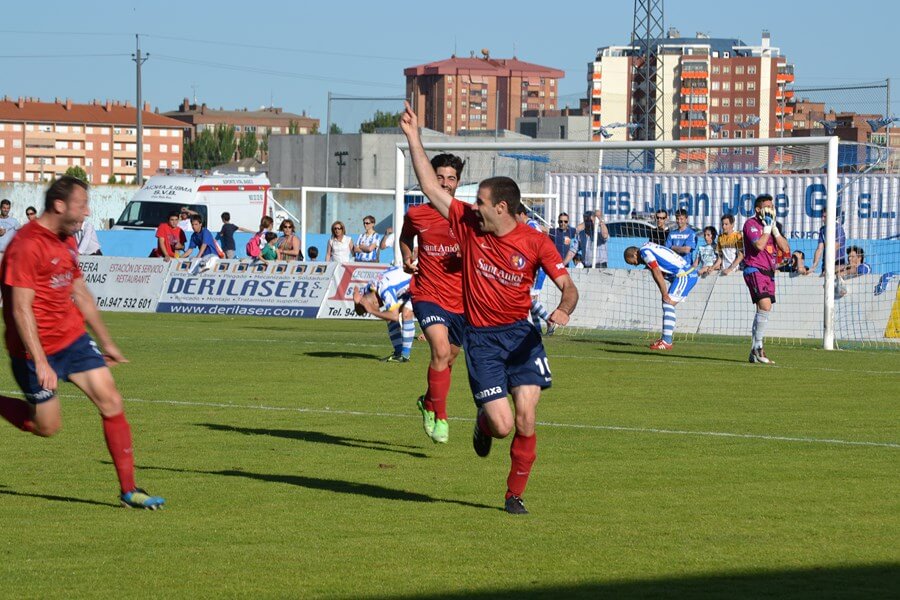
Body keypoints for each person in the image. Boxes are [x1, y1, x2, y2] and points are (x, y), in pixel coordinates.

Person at [402, 101, 579, 515]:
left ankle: (514, 495)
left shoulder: (535, 242)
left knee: (526, 418)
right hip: (482, 341)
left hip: (521, 337)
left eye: (480, 201)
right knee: (500, 425)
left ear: (501, 207)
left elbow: (568, 287)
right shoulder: (468, 226)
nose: (471, 206)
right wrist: (414, 136)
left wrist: (565, 309)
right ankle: (482, 425)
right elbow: (431, 188)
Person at [0, 176, 164, 509]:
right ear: (59, 205)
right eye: (82, 205)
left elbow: (79, 292)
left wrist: (107, 341)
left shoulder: (67, 241)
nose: (87, 211)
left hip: (73, 340)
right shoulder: (27, 244)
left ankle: (130, 490)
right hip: (34, 351)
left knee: (112, 401)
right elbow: (19, 308)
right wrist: (41, 361)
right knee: (46, 427)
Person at [400, 152, 466, 444]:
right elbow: (405, 238)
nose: (445, 183)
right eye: (439, 177)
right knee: (439, 350)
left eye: (451, 178)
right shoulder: (417, 214)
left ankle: (427, 401)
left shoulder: (469, 216)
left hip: (463, 301)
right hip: (427, 292)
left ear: (458, 182)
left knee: (449, 359)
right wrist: (406, 257)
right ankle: (440, 415)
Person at [742, 194, 790, 364]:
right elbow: (759, 245)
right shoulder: (751, 224)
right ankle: (759, 347)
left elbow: (785, 249)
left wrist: (775, 230)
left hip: (769, 272)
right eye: (767, 207)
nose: (771, 210)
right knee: (765, 305)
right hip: (755, 269)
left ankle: (753, 350)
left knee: (762, 311)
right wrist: (768, 229)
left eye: (773, 207)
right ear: (758, 209)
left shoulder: (773, 225)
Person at [624, 242, 699, 350]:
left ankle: (666, 341)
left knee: (667, 303)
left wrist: (664, 293)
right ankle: (665, 339)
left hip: (684, 275)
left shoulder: (644, 252)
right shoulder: (647, 246)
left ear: (635, 254)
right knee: (667, 304)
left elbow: (656, 271)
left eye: (632, 262)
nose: (635, 264)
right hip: (685, 274)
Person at [352, 265, 416, 363]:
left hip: (419, 284)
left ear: (374, 303)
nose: (369, 313)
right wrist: (356, 303)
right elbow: (360, 311)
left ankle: (405, 356)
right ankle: (398, 353)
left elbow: (394, 316)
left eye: (369, 307)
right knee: (388, 315)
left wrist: (372, 310)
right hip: (406, 287)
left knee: (406, 313)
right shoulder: (370, 288)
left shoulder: (385, 290)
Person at [516, 205, 555, 335]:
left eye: (515, 217)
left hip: (539, 268)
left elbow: (537, 248)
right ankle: (537, 331)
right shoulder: (532, 224)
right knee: (530, 301)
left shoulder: (531, 227)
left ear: (522, 214)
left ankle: (549, 320)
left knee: (528, 299)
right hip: (536, 267)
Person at [809, 208, 847, 275]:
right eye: (822, 216)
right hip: (826, 266)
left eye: (825, 217)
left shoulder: (838, 228)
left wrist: (829, 267)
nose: (822, 219)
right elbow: (819, 249)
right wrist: (814, 266)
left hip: (838, 266)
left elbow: (835, 247)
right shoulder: (823, 229)